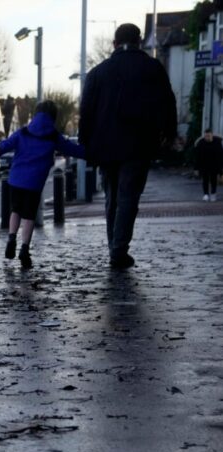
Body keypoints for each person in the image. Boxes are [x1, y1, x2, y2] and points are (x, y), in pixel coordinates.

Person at [78, 23, 177, 269]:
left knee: (111, 197)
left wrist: (85, 142)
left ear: (114, 43)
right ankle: (118, 250)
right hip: (138, 145)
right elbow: (168, 102)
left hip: (105, 146)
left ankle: (115, 246)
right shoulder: (153, 68)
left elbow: (86, 112)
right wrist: (169, 133)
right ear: (139, 41)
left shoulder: (98, 73)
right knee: (128, 196)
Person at [0, 100, 85, 269]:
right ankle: (24, 250)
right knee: (29, 217)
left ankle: (12, 238)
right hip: (34, 183)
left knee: (15, 210)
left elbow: (7, 144)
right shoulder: (53, 136)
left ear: (36, 114)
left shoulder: (24, 132)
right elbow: (72, 149)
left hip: (16, 179)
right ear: (53, 116)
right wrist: (92, 153)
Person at [194, 129, 222, 201]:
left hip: (214, 165)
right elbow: (197, 156)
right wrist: (196, 168)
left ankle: (213, 194)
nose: (207, 137)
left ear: (212, 135)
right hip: (204, 165)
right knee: (205, 180)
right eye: (206, 136)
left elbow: (221, 156)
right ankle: (205, 194)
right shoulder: (201, 143)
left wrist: (221, 169)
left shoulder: (217, 143)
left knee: (213, 180)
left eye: (209, 136)